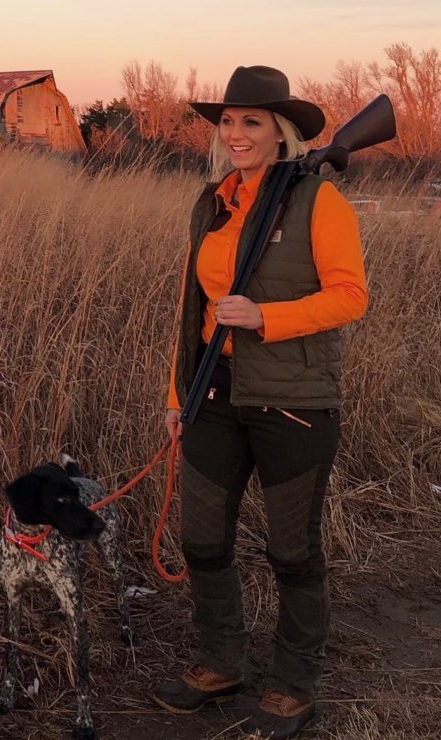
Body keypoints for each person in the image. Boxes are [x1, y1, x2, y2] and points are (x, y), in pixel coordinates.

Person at [151, 66, 368, 739]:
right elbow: (193, 307)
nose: (236, 133)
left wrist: (266, 317)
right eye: (228, 121)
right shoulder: (212, 201)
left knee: (292, 552)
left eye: (252, 121)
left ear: (281, 132)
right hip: (213, 394)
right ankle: (222, 663)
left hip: (293, 404)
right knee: (201, 539)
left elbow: (351, 296)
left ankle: (293, 684)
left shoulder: (317, 199)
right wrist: (177, 392)